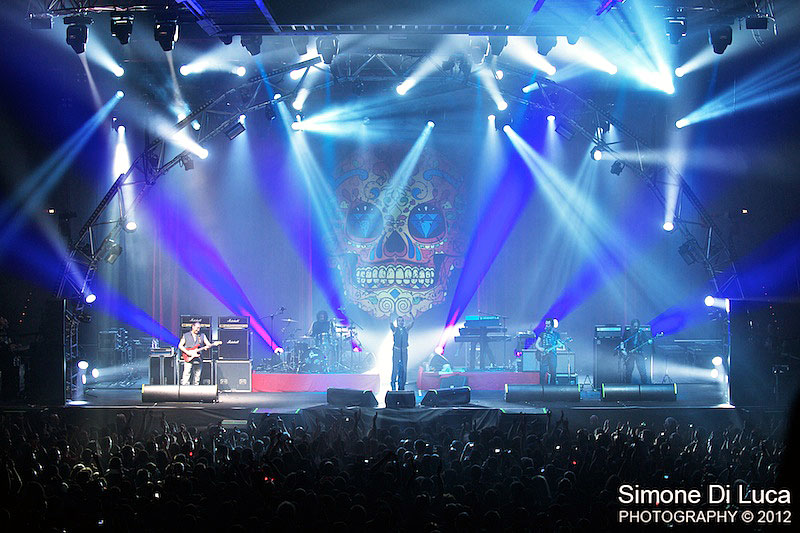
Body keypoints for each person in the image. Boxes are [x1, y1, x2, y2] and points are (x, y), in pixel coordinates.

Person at [178, 321, 212, 386]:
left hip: (198, 357)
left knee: (197, 375)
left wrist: (208, 346)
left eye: (199, 328)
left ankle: (195, 389)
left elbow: (208, 344)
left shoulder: (202, 335)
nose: (198, 330)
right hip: (188, 357)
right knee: (187, 373)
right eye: (197, 328)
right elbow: (180, 346)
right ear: (193, 327)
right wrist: (188, 352)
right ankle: (185, 389)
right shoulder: (186, 335)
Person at [620, 318, 652, 384]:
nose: (636, 328)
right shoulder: (627, 332)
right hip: (629, 354)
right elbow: (622, 342)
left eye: (637, 326)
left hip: (639, 353)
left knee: (642, 371)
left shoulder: (641, 333)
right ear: (631, 326)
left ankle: (645, 386)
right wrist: (623, 350)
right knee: (628, 371)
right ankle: (628, 387)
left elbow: (646, 340)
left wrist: (649, 342)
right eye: (634, 326)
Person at [390, 314, 414, 391]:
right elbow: (390, 323)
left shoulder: (406, 329)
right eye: (399, 321)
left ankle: (403, 382)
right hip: (396, 351)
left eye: (402, 321)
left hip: (404, 351)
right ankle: (393, 382)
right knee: (395, 367)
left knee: (404, 367)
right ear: (397, 322)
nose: (401, 322)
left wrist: (411, 315)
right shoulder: (395, 329)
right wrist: (391, 315)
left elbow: (412, 322)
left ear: (404, 322)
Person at [535, 318, 561, 385]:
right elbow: (536, 344)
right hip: (544, 355)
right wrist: (540, 349)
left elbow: (559, 344)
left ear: (552, 326)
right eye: (546, 325)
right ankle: (542, 387)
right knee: (542, 372)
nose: (546, 326)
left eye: (548, 325)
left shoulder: (556, 334)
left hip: (553, 355)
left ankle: (552, 388)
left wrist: (560, 345)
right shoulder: (542, 334)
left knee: (553, 372)